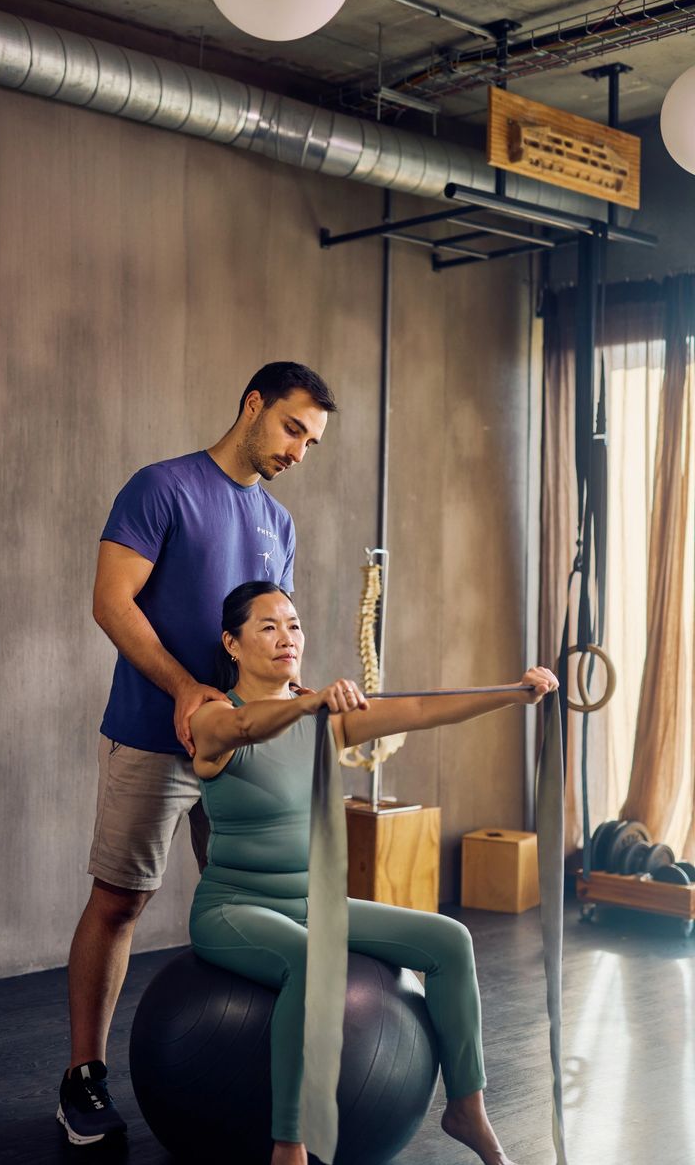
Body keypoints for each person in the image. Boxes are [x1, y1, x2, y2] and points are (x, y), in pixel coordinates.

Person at [57, 363, 338, 1146]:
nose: (299, 451)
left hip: (243, 748)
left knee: (261, 904)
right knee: (120, 901)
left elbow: (271, 641)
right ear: (253, 406)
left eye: (311, 441)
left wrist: (306, 707)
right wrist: (185, 688)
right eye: (291, 429)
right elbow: (110, 600)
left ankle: (260, 1080)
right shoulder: (161, 487)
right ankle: (83, 1079)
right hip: (154, 731)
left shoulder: (278, 524)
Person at [189, 580, 559, 1165]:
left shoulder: (326, 721)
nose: (288, 637)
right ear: (232, 644)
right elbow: (247, 728)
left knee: (449, 939)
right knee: (312, 964)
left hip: (312, 902)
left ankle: (467, 1108)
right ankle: (289, 1145)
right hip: (235, 908)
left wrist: (512, 694)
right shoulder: (212, 716)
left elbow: (418, 709)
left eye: (294, 624)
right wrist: (306, 703)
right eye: (268, 627)